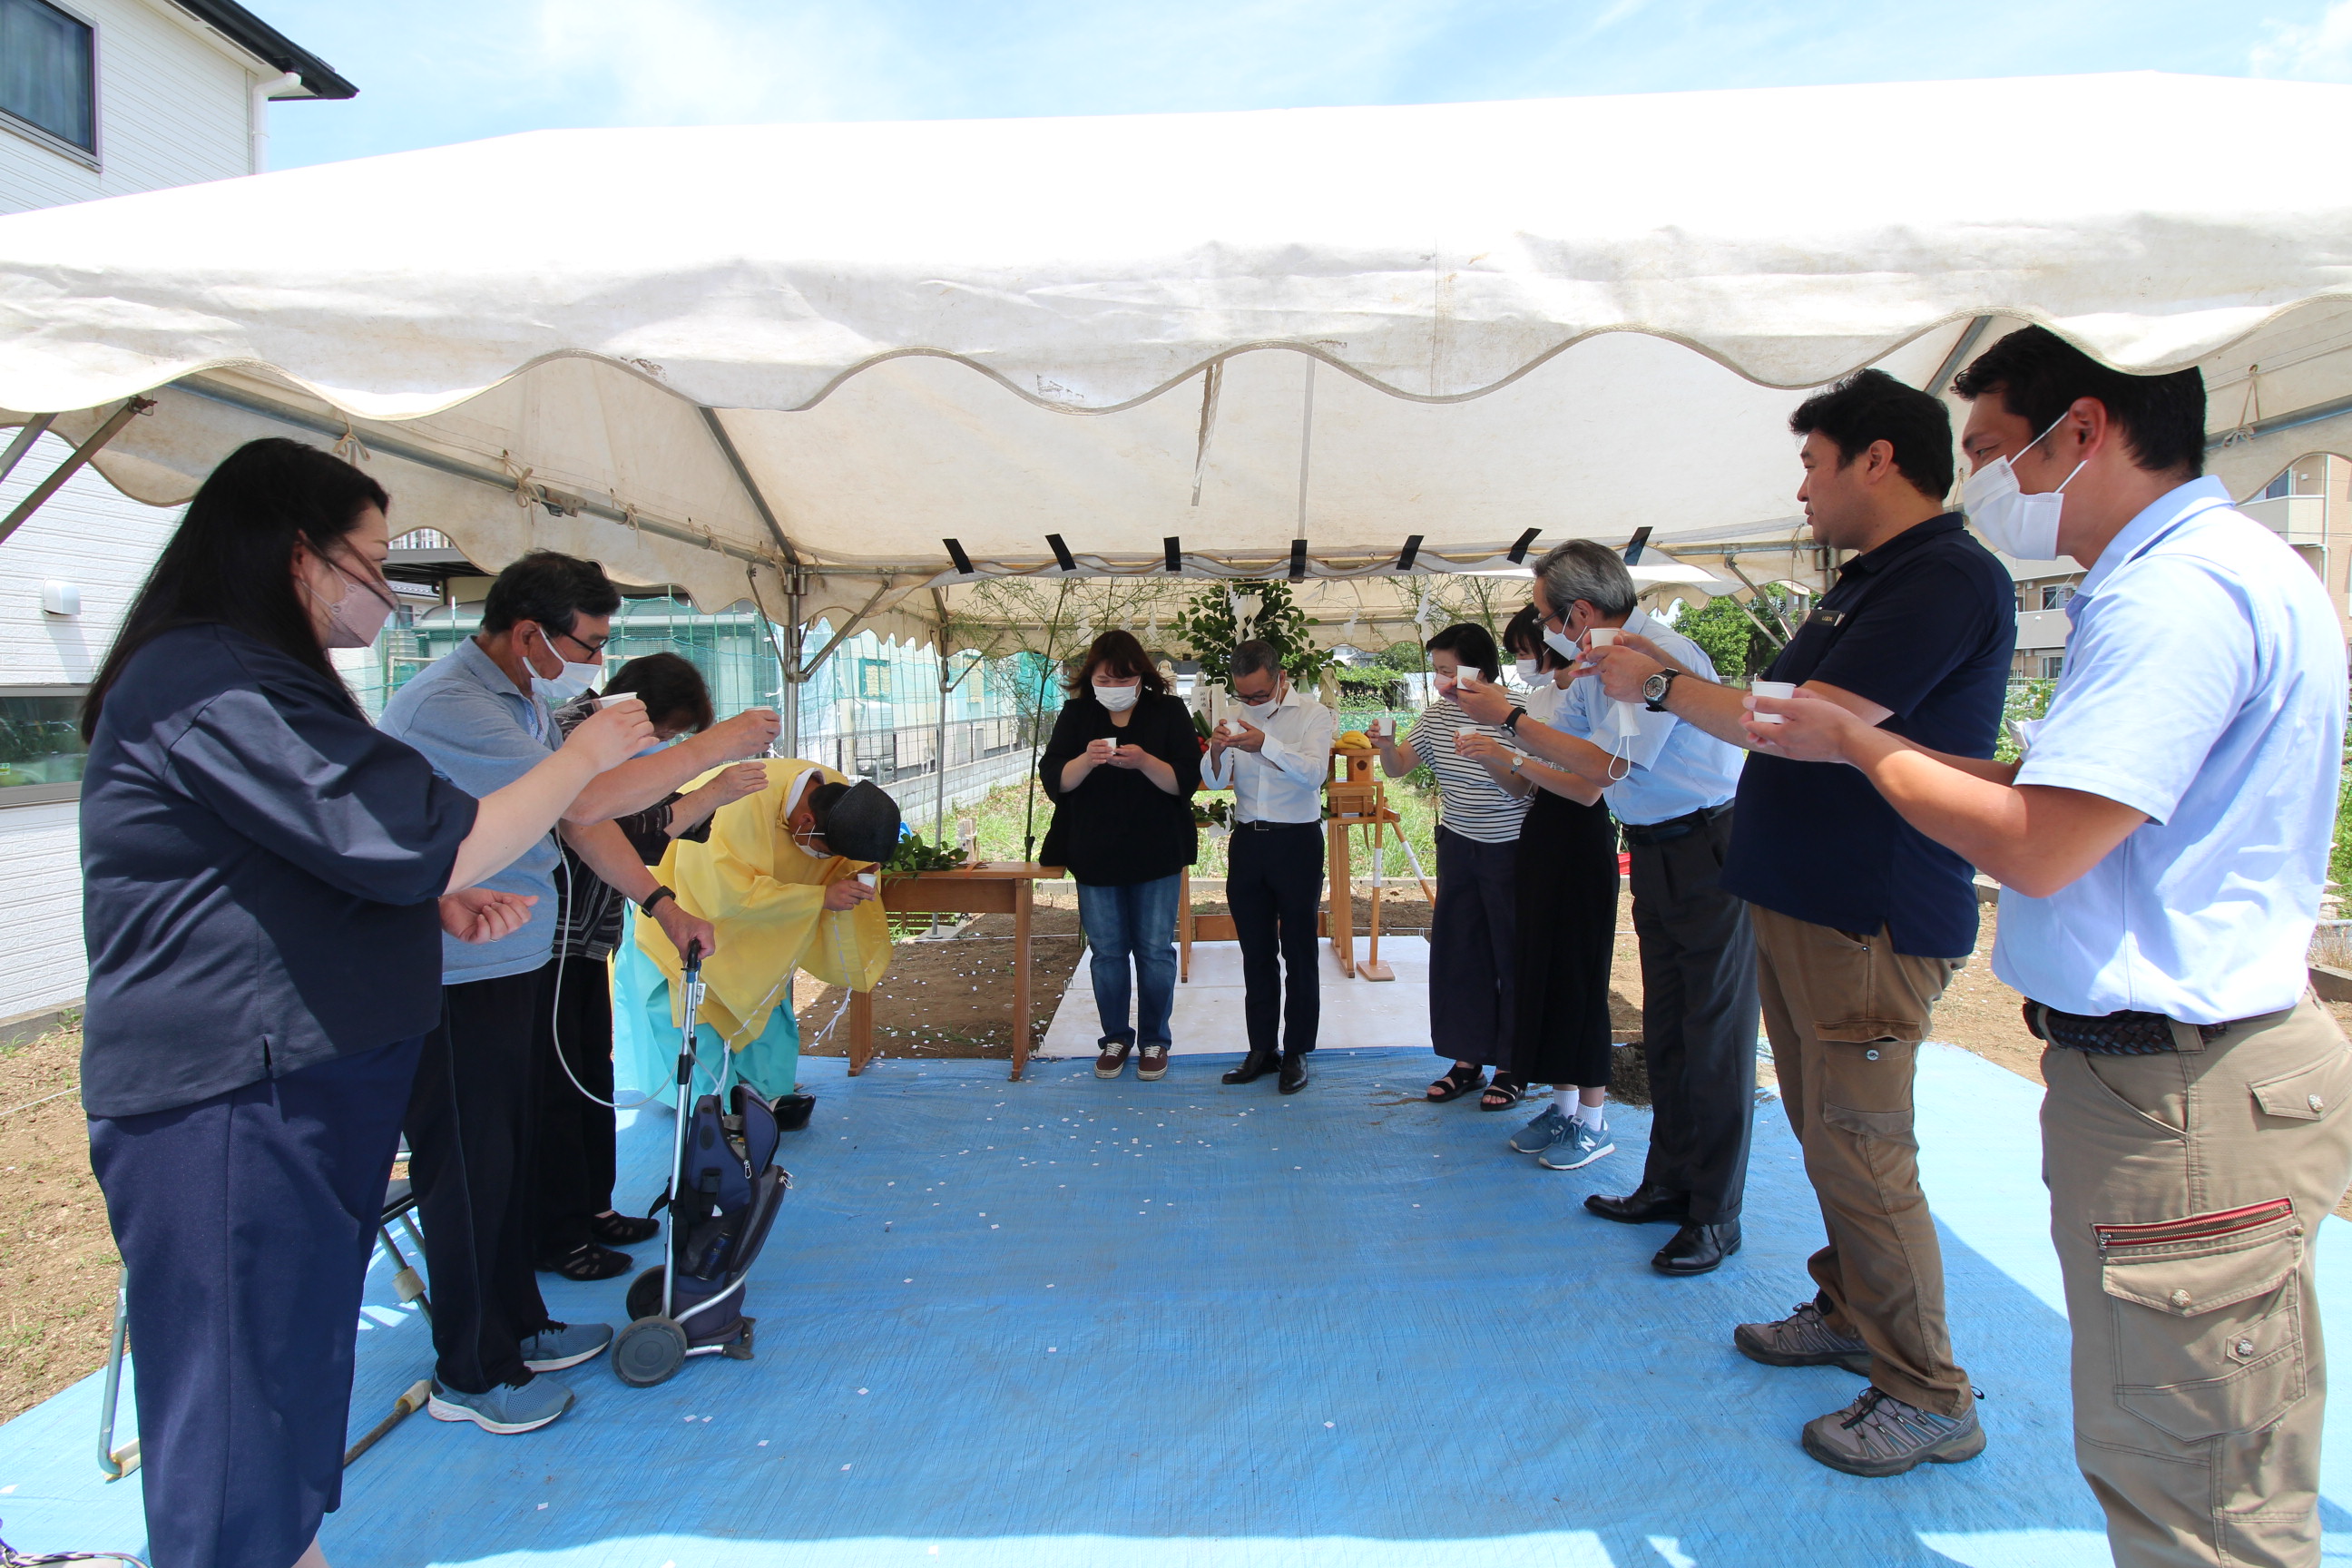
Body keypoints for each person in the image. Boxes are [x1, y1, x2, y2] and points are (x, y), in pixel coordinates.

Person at [1752, 327, 2352, 1563]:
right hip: (2169, 1076)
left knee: (2195, 1496)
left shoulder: (2175, 591)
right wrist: (1927, 759)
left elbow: (2035, 843)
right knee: (2179, 1461)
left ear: (2081, 430)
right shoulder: (2201, 571)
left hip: (2184, 1088)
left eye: (1990, 451)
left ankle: (1920, 1385)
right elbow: (2069, 789)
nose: (1986, 484)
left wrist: (1859, 741)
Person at [77, 439, 654, 1568]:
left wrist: (421, 906)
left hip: (295, 1086)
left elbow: (301, 853)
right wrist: (581, 754)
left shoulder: (258, 673)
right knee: (243, 1405)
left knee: (284, 1382)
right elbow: (428, 831)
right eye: (373, 557)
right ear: (299, 552)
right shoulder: (213, 677)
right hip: (233, 1097)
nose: (388, 587)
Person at [1584, 368, 2011, 1475]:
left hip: (1866, 914)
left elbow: (1805, 725)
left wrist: (1665, 688)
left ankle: (1928, 1391)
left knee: (1867, 1151)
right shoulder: (1870, 583)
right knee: (1828, 1136)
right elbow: (1787, 711)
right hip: (1807, 904)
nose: (1804, 490)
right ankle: (1850, 1309)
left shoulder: (1944, 581)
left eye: (1814, 464)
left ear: (1877, 458)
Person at [379, 551, 779, 1435]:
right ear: (530, 634)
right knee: (469, 1171)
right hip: (449, 974)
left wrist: (661, 904)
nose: (598, 661)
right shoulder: (451, 707)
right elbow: (585, 801)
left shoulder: (515, 700)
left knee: (508, 1155)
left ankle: (519, 1323)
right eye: (590, 643)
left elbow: (583, 818)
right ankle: (471, 1372)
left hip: (508, 962)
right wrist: (713, 752)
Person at [1458, 549, 1753, 1276]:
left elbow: (1605, 768)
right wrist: (1522, 732)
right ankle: (1667, 1183)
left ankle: (1715, 1214)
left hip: (1706, 846)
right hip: (1654, 846)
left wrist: (1512, 719)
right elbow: (1586, 755)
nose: (1548, 634)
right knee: (1669, 1029)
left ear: (1580, 614)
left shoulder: (1654, 657)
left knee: (1712, 1037)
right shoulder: (1597, 664)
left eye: (1549, 620)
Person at [536, 652, 769, 1281]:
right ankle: (558, 1233)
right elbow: (626, 826)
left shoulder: (635, 750)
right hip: (543, 946)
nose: (669, 746)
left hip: (588, 940)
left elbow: (671, 824)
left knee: (592, 1075)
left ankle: (594, 1208)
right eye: (670, 734)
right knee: (556, 1091)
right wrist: (712, 780)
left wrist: (703, 794)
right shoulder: (573, 736)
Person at [629, 760, 903, 1100]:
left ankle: (767, 1096)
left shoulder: (835, 792)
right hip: (695, 916)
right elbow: (723, 896)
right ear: (806, 822)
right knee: (699, 1015)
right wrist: (819, 896)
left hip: (774, 925)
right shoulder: (735, 806)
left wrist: (859, 871)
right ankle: (711, 1109)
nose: (822, 860)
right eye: (825, 852)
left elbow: (844, 858)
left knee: (767, 1003)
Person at [1456, 606, 1615, 1166]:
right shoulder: (1552, 702)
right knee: (1545, 977)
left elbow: (1591, 788)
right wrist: (1501, 757)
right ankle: (1564, 1106)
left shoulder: (1605, 695)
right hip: (1542, 844)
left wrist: (1515, 749)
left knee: (1579, 979)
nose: (1529, 658)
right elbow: (1525, 789)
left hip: (1580, 848)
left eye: (1534, 645)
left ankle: (1593, 1120)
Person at [1370, 622, 1535, 1108]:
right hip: (1458, 845)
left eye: (1448, 670)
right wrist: (1384, 742)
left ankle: (1512, 1063)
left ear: (1478, 667)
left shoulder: (1514, 714)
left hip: (1511, 848)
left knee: (1510, 956)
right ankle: (1468, 1060)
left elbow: (1520, 788)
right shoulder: (1438, 716)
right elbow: (1400, 766)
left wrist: (1489, 754)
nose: (1441, 681)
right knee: (1460, 953)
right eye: (1437, 671)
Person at [1038, 630, 1201, 1082]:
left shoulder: (1168, 712)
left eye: (1121, 679)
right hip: (1095, 852)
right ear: (1089, 678)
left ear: (1140, 677)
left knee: (1153, 951)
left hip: (1158, 852)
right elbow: (1055, 780)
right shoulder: (1076, 715)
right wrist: (1085, 761)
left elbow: (1185, 781)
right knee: (1107, 952)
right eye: (1103, 680)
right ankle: (1114, 1037)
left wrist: (1146, 761)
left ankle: (1154, 1040)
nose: (1112, 688)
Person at [1202, 638, 1336, 1093]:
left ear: (1280, 679)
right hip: (1248, 842)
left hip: (1296, 840)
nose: (1252, 703)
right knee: (1254, 950)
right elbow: (1216, 780)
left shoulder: (1314, 714)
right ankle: (1261, 1048)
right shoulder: (1235, 715)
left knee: (1299, 949)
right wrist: (1218, 750)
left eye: (1260, 694)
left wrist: (1267, 745)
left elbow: (1316, 773)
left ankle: (1297, 1050)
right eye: (1245, 695)